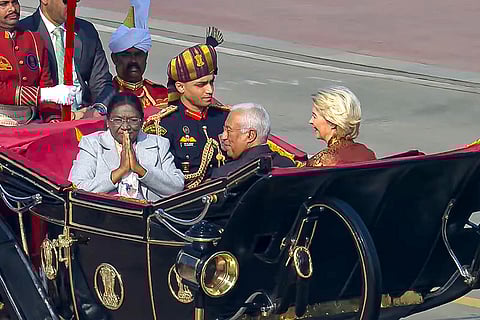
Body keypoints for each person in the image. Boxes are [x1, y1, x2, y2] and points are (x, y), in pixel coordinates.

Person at [143, 27, 229, 189]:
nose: (209, 90)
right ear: (180, 87)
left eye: (211, 82)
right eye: (201, 85)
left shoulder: (225, 118)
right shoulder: (163, 126)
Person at [69, 92, 184, 201]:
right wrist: (121, 170)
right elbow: (78, 188)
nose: (125, 127)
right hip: (105, 215)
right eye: (118, 120)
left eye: (133, 120)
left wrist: (140, 169)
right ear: (108, 122)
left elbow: (176, 187)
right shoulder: (92, 144)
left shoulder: (158, 143)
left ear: (141, 121)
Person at [19, 0, 114, 119]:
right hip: (42, 120)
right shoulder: (23, 32)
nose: (73, 5)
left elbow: (103, 83)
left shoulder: (86, 31)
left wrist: (97, 110)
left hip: (84, 116)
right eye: (66, 1)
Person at [0, 0, 77, 124]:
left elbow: (45, 83)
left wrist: (53, 119)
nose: (12, 9)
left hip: (31, 120)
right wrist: (43, 94)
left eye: (14, 2)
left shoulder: (33, 39)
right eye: (3, 4)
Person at [109, 0, 168, 120]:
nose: (133, 61)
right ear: (114, 58)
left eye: (139, 55)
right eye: (126, 55)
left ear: (146, 58)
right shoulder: (105, 93)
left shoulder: (161, 94)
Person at [211, 103, 295, 178]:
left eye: (229, 130)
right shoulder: (288, 165)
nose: (224, 137)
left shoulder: (225, 174)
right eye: (224, 130)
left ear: (250, 135)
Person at [304, 86, 376, 167]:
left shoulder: (321, 162)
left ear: (332, 122)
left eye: (314, 116)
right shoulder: (367, 153)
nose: (311, 121)